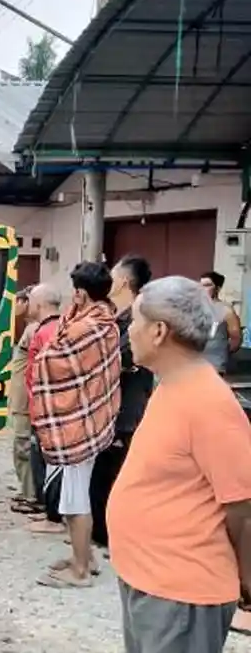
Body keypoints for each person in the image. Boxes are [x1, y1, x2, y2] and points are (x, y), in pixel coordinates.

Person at [108, 276, 251, 653]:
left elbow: (243, 506)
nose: (128, 332)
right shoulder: (170, 385)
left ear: (158, 331)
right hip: (150, 579)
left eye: (134, 320)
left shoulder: (210, 403)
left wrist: (247, 580)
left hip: (182, 592)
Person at [31, 262, 121, 588]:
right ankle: (86, 557)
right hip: (90, 418)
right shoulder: (104, 322)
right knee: (76, 493)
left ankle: (80, 570)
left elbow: (51, 360)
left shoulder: (88, 327)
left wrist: (44, 357)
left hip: (78, 423)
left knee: (74, 499)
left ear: (81, 294)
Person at [90, 255, 154, 549]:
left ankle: (115, 536)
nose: (108, 282)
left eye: (113, 277)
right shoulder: (117, 318)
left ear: (124, 282)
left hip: (126, 411)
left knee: (115, 476)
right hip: (110, 409)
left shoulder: (137, 320)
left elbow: (119, 360)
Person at [23, 283, 66, 535]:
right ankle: (47, 510)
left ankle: (54, 517)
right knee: (40, 460)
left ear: (39, 304)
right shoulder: (49, 328)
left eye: (29, 300)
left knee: (48, 462)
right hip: (40, 407)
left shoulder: (49, 331)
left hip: (46, 410)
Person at [7, 288, 40, 513]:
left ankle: (31, 495)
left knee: (23, 447)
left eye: (20, 301)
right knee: (21, 447)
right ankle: (27, 490)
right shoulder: (28, 327)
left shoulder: (34, 329)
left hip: (26, 401)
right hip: (20, 399)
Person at [199, 270, 242, 373]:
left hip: (215, 364)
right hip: (194, 363)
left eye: (207, 285)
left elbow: (236, 338)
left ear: (217, 288)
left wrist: (221, 352)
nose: (202, 289)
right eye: (200, 285)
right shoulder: (195, 307)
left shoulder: (226, 310)